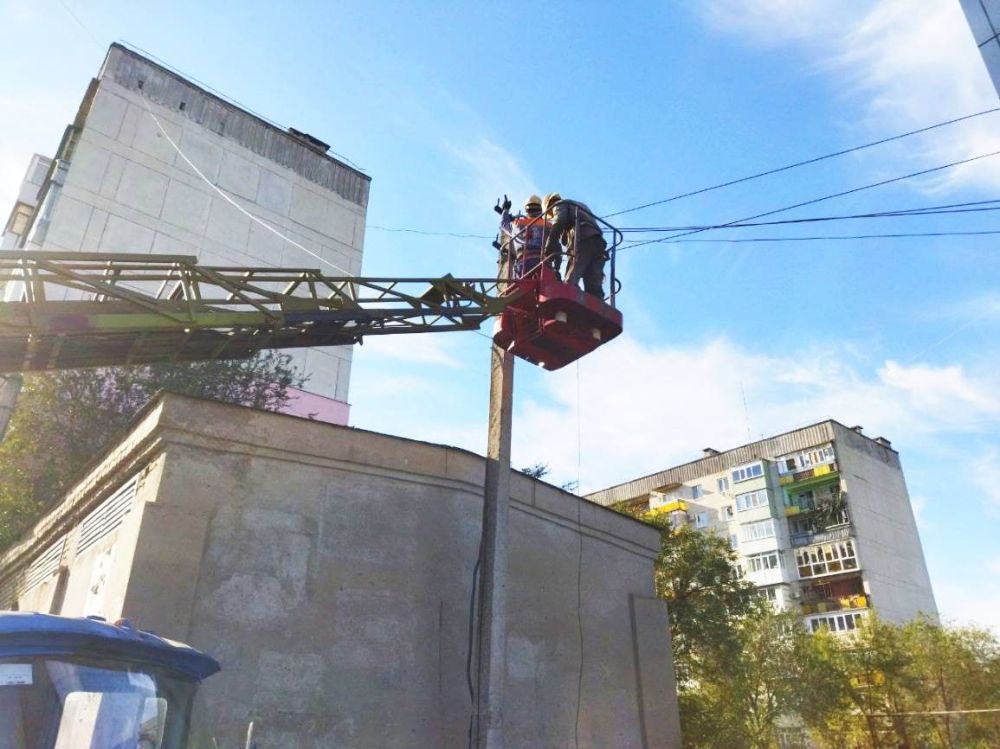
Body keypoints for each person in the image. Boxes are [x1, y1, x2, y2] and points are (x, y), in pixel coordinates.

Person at [542, 192, 606, 298]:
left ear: (550, 205)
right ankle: (596, 300)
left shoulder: (559, 204)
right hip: (598, 243)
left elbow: (560, 221)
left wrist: (550, 243)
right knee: (593, 283)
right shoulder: (579, 206)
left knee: (570, 280)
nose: (552, 215)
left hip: (582, 240)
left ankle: (567, 298)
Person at [500, 195, 551, 277]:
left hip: (523, 263)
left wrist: (505, 210)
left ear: (527, 210)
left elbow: (503, 224)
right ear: (541, 209)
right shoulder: (548, 225)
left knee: (520, 284)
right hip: (542, 262)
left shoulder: (517, 223)